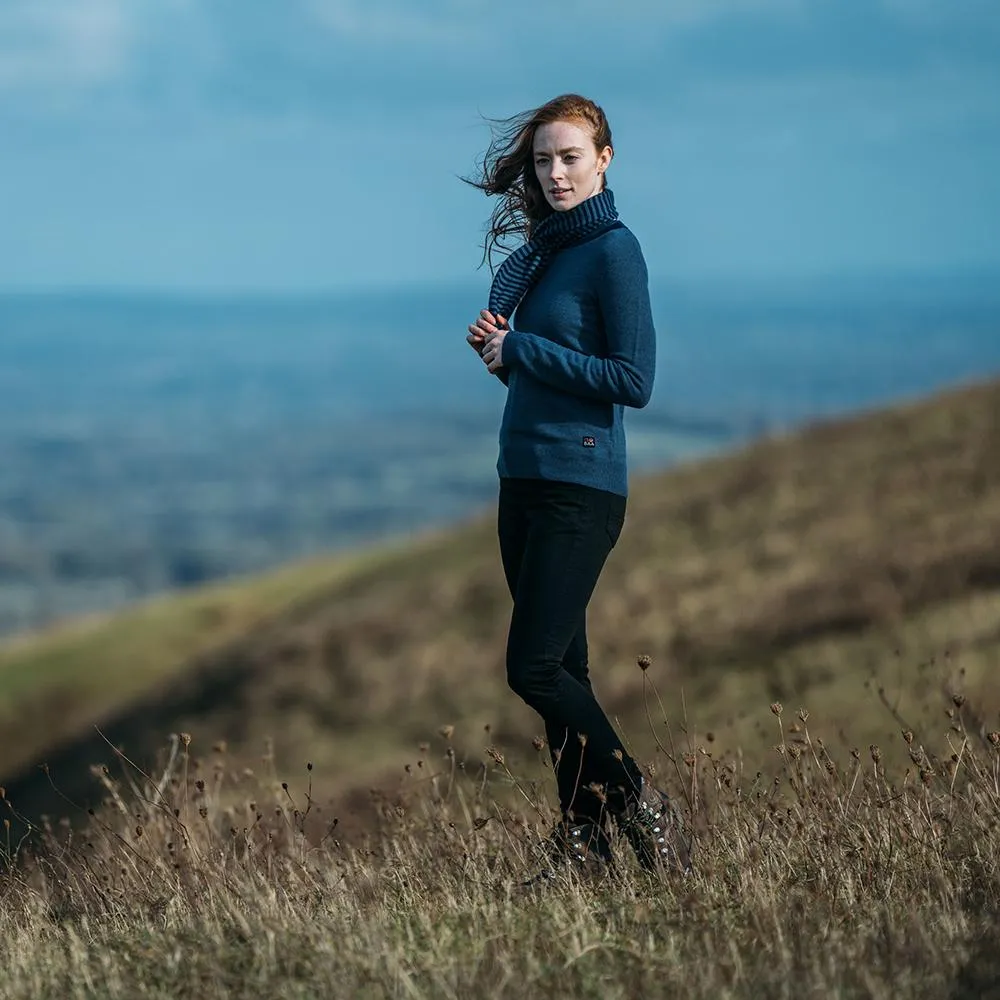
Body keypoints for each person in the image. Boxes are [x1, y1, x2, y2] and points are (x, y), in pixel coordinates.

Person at [464, 93, 691, 879]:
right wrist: (506, 363)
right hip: (521, 480)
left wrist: (525, 349)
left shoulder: (614, 252)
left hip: (580, 488)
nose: (554, 174)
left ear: (604, 159)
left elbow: (632, 379)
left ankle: (644, 808)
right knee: (566, 673)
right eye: (541, 161)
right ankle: (585, 846)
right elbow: (547, 376)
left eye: (569, 157)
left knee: (530, 669)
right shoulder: (544, 256)